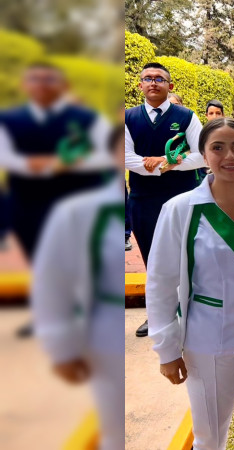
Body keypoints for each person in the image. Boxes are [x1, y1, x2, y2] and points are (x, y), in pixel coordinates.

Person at [146, 118, 234, 450]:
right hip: (207, 336)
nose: (230, 156)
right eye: (217, 148)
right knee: (209, 431)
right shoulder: (181, 209)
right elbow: (161, 283)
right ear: (204, 155)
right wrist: (166, 350)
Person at [0, 61, 113, 338]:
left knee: (81, 258)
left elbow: (107, 154)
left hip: (79, 200)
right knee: (40, 259)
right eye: (34, 79)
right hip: (28, 202)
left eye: (49, 79)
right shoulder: (9, 119)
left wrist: (61, 164)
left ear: (64, 85)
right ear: (24, 85)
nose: (41, 84)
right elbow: (5, 156)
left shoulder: (88, 119)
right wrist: (33, 166)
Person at [31, 125, 126, 450]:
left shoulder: (169, 206)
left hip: (177, 328)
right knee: (112, 425)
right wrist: (60, 346)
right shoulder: (76, 211)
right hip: (99, 326)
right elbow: (50, 280)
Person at [125, 62, 206, 338]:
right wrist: (163, 165)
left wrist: (169, 162)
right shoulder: (127, 118)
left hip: (182, 197)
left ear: (170, 86)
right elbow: (124, 157)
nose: (153, 83)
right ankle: (157, 316)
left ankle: (190, 312)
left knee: (187, 254)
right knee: (152, 259)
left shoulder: (187, 117)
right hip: (143, 200)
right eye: (147, 78)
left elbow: (202, 156)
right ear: (140, 85)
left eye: (160, 78)